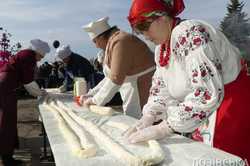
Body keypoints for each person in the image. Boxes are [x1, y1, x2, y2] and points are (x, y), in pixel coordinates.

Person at [124, 0, 250, 162]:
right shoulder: (162, 48)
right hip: (206, 109)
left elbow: (206, 93)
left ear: (161, 18)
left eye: (144, 27)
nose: (145, 36)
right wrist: (149, 116)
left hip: (231, 106)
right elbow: (161, 88)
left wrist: (165, 127)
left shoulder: (190, 33)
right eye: (139, 31)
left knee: (224, 158)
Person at [82, 17, 155, 118]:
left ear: (102, 36)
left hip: (142, 86)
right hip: (131, 88)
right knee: (132, 118)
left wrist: (95, 100)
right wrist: (91, 94)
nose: (96, 46)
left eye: (95, 41)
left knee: (140, 119)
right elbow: (109, 77)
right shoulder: (112, 44)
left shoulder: (121, 41)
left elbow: (116, 77)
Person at [0, 39, 50, 165]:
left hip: (5, 85)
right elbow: (28, 82)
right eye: (40, 56)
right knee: (7, 122)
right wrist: (40, 93)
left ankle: (6, 154)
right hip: (6, 87)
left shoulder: (25, 54)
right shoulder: (29, 56)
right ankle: (7, 159)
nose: (39, 60)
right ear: (36, 52)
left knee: (5, 120)